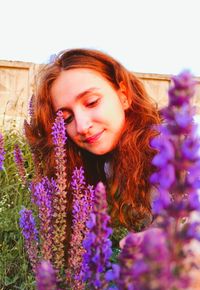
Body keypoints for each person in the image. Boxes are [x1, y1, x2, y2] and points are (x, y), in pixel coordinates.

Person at [25, 48, 161, 235]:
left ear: (124, 96)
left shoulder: (171, 150)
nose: (81, 126)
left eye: (91, 102)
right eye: (66, 119)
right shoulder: (108, 164)